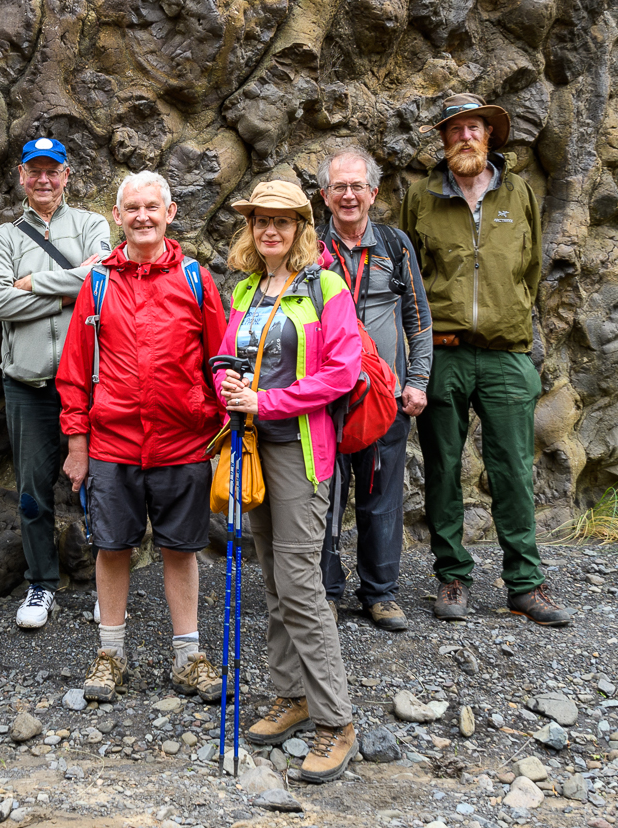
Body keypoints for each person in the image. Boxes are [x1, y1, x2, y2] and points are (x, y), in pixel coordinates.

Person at [52, 171, 228, 705]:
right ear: (118, 214)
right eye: (133, 208)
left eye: (153, 207)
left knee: (181, 548)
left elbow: (220, 364)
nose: (143, 217)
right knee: (112, 547)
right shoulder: (98, 283)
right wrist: (77, 444)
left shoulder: (197, 280)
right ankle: (110, 655)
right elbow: (74, 372)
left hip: (184, 440)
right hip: (113, 442)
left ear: (171, 212)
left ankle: (187, 657)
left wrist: (223, 433)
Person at [402, 93, 571, 627]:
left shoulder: (517, 192)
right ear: (444, 140)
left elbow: (531, 270)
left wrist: (509, 319)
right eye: (455, 130)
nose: (466, 137)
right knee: (443, 469)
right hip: (443, 355)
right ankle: (452, 576)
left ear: (490, 135)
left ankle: (525, 583)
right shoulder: (422, 196)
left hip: (506, 357)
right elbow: (408, 275)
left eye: (474, 127)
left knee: (515, 470)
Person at [215, 179, 364, 783]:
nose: (269, 230)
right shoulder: (247, 288)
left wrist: (266, 400)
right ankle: (292, 695)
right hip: (252, 448)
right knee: (274, 580)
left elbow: (342, 371)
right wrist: (226, 386)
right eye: (259, 221)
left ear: (302, 227)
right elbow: (229, 356)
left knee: (301, 584)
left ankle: (337, 721)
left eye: (281, 221)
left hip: (301, 451)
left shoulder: (326, 286)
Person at [0, 137, 114, 630]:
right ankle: (41, 585)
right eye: (35, 171)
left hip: (90, 383)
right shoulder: (5, 237)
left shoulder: (91, 225)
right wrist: (69, 291)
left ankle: (109, 583)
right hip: (28, 384)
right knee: (33, 492)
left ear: (65, 176)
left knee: (104, 486)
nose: (44, 179)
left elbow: (101, 283)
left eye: (52, 170)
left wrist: (33, 284)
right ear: (22, 176)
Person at [315, 148, 433, 631]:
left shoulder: (395, 244)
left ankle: (380, 593)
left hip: (385, 398)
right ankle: (323, 592)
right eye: (338, 187)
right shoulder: (311, 248)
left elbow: (418, 317)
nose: (348, 195)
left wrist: (418, 380)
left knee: (382, 495)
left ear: (373, 193)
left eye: (356, 186)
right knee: (321, 496)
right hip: (326, 397)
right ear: (324, 195)